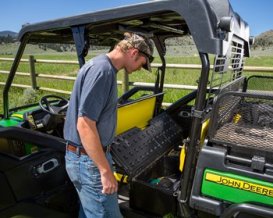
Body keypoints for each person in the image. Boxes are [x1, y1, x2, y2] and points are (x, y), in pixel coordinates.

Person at [64, 32, 154, 218]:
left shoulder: (101, 67)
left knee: (90, 212)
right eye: (142, 63)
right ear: (133, 53)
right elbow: (85, 124)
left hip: (87, 159)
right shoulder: (103, 72)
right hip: (90, 163)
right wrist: (105, 171)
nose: (139, 68)